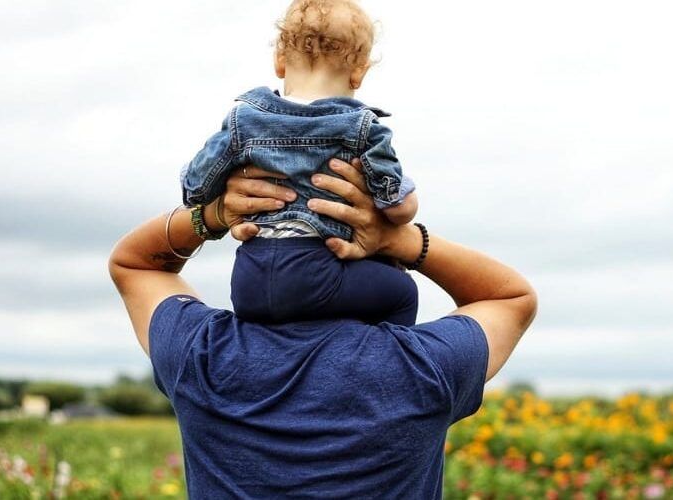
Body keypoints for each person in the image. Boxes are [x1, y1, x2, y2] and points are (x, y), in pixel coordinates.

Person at [109, 159, 537, 497]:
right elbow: (509, 297)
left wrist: (214, 215)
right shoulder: (423, 368)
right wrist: (401, 239)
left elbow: (136, 264)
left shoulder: (204, 355)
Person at [180, 0, 419, 325]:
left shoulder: (243, 119)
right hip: (317, 273)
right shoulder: (363, 128)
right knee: (403, 291)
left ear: (279, 61)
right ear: (359, 72)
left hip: (249, 280)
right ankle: (382, 355)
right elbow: (396, 207)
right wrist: (407, 200)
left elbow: (195, 189)